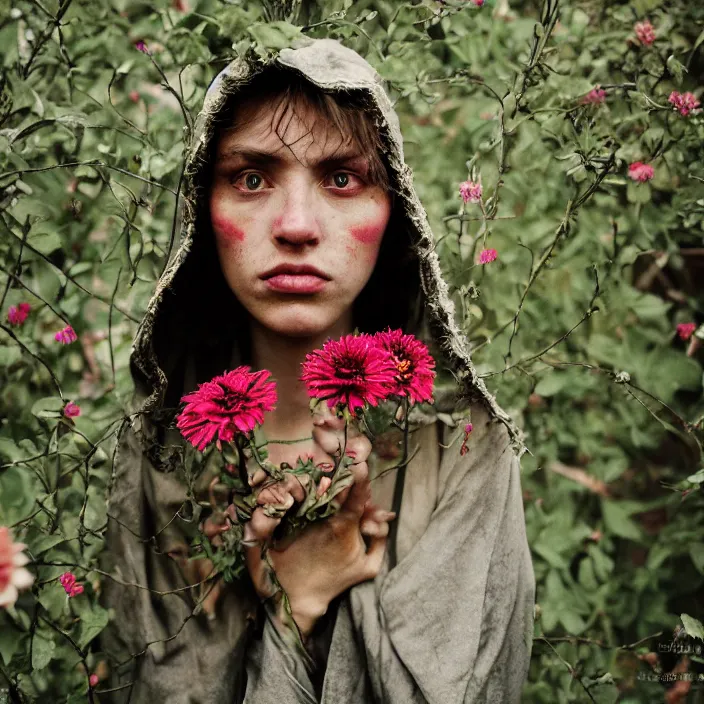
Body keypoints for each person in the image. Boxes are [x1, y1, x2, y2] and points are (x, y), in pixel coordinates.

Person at [102, 37, 535, 703]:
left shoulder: (463, 450)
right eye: (251, 177)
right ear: (200, 212)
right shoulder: (158, 456)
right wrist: (293, 603)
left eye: (342, 178)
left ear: (393, 215)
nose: (297, 225)